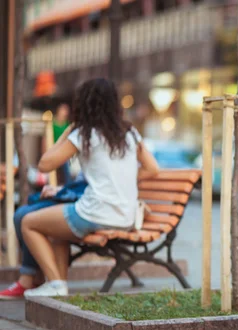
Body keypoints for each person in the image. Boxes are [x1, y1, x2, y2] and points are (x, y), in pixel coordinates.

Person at [20, 78, 159, 297]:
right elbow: (153, 169)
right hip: (126, 216)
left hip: (95, 212)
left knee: (28, 222)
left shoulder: (84, 134)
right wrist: (124, 179)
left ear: (84, 104)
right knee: (57, 228)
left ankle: (56, 284)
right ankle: (57, 284)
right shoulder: (129, 133)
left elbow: (44, 164)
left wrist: (66, 133)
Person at [0, 180, 87, 300]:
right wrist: (61, 190)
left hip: (89, 203)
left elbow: (45, 165)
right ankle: (42, 281)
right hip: (85, 196)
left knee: (26, 220)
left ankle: (52, 283)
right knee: (24, 215)